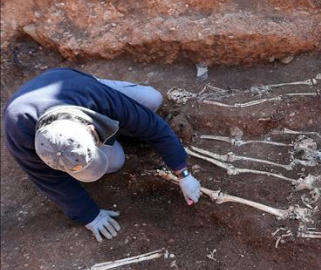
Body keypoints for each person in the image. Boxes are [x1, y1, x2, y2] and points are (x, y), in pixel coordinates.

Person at [4, 68, 202, 242]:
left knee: (152, 99)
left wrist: (183, 173)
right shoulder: (20, 138)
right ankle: (118, 130)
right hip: (52, 101)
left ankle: (118, 126)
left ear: (90, 128)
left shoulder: (96, 97)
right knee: (116, 161)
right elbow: (51, 182)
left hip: (81, 86)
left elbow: (151, 124)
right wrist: (89, 216)